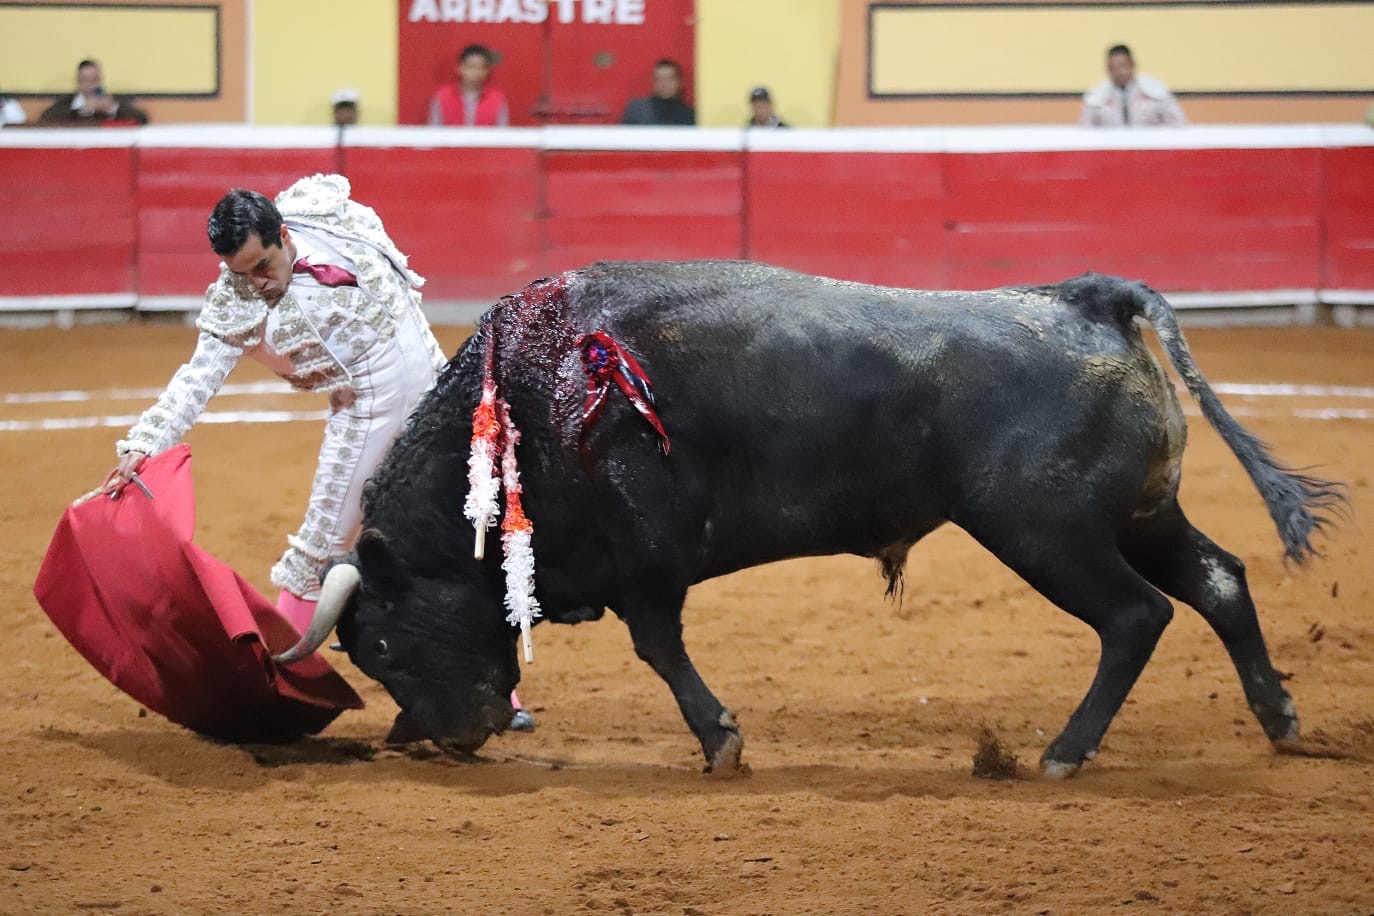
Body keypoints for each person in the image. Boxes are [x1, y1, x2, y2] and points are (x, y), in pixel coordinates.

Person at [100, 174, 534, 732]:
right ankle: (276, 694)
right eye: (241, 272)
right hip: (366, 420)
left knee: (461, 540)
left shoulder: (325, 212)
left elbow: (395, 290)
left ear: (282, 233)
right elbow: (196, 380)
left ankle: (499, 695)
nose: (255, 283)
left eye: (262, 266)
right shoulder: (236, 300)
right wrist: (143, 443)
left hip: (437, 394)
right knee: (320, 550)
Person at [1080, 44, 1185, 127]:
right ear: (1108, 69)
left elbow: (1178, 124)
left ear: (1133, 65)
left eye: (1123, 66)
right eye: (1114, 67)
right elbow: (1085, 131)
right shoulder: (1096, 98)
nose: (1119, 72)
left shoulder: (1156, 92)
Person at [39, 59, 148, 125]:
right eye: (85, 80)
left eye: (94, 80)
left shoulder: (112, 100)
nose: (90, 85)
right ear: (78, 82)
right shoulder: (68, 103)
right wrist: (80, 111)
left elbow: (142, 119)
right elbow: (45, 118)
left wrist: (113, 109)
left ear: (101, 80)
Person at [427, 44, 509, 126]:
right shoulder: (442, 97)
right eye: (471, 67)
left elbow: (502, 135)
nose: (476, 72)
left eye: (482, 68)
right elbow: (433, 132)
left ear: (487, 71)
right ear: (459, 68)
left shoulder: (498, 100)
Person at [620, 59, 695, 126]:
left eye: (669, 78)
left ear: (680, 82)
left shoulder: (689, 114)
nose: (664, 83)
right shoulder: (636, 109)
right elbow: (623, 138)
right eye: (659, 79)